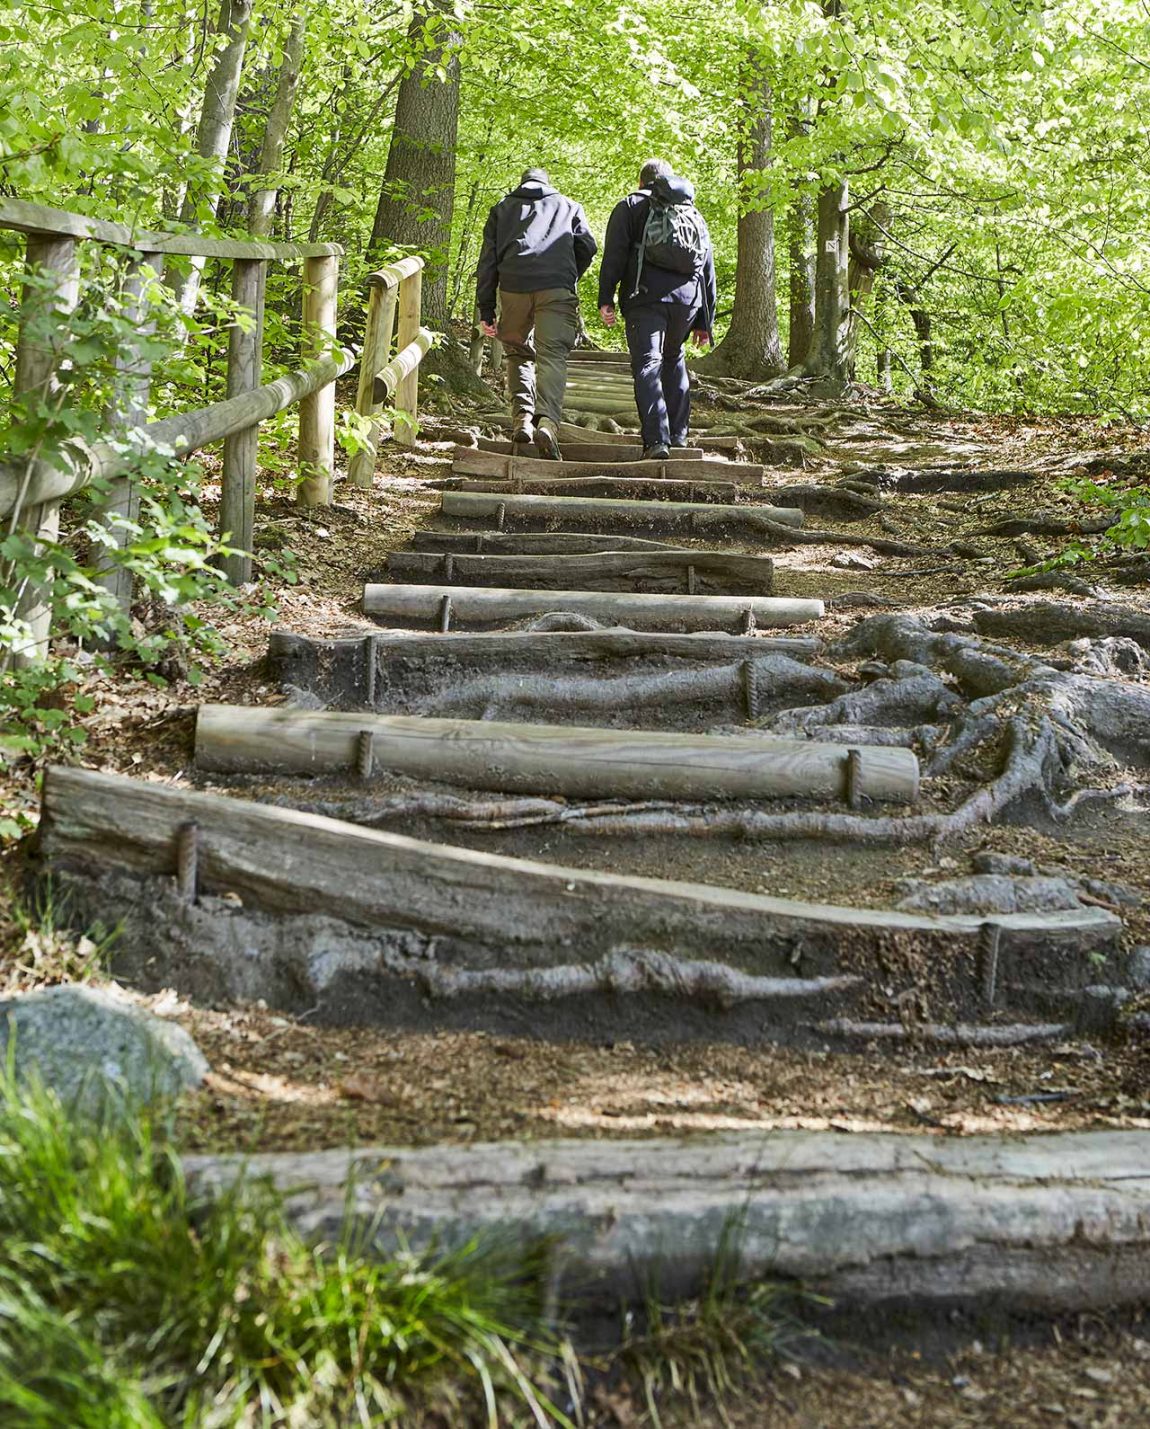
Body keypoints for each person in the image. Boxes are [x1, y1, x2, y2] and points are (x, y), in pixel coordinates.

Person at [597, 159, 717, 460]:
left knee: (648, 364)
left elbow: (614, 254)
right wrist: (705, 321)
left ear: (642, 182)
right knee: (674, 359)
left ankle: (657, 441)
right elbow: (707, 266)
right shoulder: (691, 211)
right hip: (688, 301)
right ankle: (679, 436)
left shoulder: (630, 205)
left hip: (645, 298)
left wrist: (606, 298)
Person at [476, 168, 597, 460]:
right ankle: (548, 423)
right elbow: (588, 247)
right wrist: (568, 275)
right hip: (556, 288)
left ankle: (522, 421)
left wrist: (487, 308)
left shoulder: (502, 209)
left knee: (517, 353)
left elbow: (488, 261)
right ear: (547, 183)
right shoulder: (569, 206)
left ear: (521, 183)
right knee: (552, 355)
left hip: (514, 287)